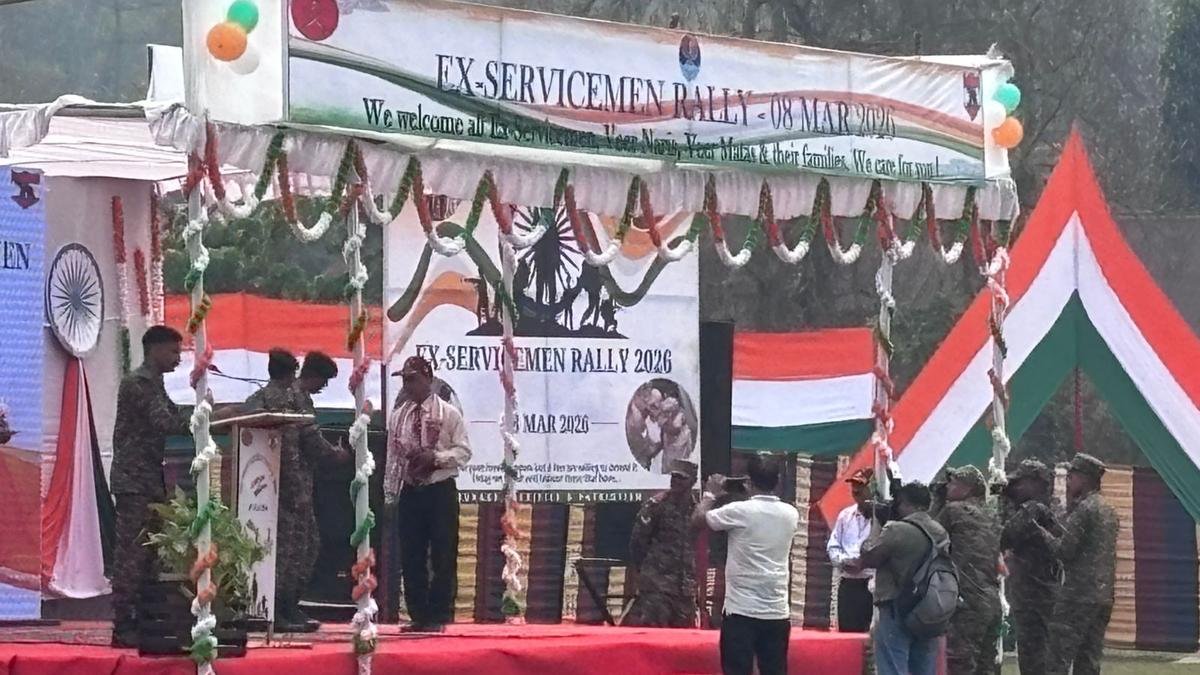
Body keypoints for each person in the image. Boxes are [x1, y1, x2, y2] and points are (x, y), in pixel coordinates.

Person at [247, 350, 348, 632]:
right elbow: (309, 441)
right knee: (294, 550)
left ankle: (286, 607)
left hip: (266, 486)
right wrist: (336, 455)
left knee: (295, 548)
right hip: (291, 487)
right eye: (323, 381)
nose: (322, 387)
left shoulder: (262, 397)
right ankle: (281, 608)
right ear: (310, 375)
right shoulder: (295, 399)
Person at [109, 326, 196, 648]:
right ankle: (123, 624)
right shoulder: (139, 384)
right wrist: (206, 419)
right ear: (155, 349)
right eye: (173, 351)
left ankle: (145, 620)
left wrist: (210, 414)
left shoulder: (155, 383)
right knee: (132, 554)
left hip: (148, 480)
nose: (178, 358)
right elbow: (167, 423)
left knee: (150, 556)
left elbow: (175, 414)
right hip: (134, 481)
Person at [384, 356, 471, 633]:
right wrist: (391, 492)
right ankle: (418, 615)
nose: (408, 385)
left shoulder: (449, 414)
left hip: (439, 490)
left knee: (443, 553)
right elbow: (392, 456)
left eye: (413, 379)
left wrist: (435, 458)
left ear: (428, 380)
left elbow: (464, 453)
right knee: (412, 554)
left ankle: (439, 615)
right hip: (411, 490)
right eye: (404, 380)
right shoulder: (399, 415)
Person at [695, 455, 799, 675]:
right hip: (776, 612)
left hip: (740, 612)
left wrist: (711, 493)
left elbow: (698, 520)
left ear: (749, 482)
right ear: (778, 481)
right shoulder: (791, 514)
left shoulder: (739, 511)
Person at [1038, 453, 1118, 675]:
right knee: (1089, 659)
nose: (1068, 483)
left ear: (1084, 478)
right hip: (1103, 596)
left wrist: (1042, 532)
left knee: (1058, 657)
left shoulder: (1085, 509)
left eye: (1071, 477)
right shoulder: (1109, 510)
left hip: (1078, 595)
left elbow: (1064, 551)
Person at [859, 481, 948, 675]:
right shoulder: (940, 531)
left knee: (892, 665)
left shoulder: (896, 529)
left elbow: (869, 558)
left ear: (905, 503)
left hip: (896, 605)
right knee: (924, 667)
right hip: (929, 607)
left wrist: (875, 527)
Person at [933, 466, 1002, 675]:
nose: (948, 487)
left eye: (953, 483)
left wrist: (937, 500)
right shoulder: (991, 514)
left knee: (959, 664)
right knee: (986, 665)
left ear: (967, 489)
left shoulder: (954, 511)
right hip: (991, 600)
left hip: (967, 601)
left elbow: (928, 533)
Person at [999, 459, 1061, 675]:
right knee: (1035, 654)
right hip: (1037, 594)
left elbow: (1005, 536)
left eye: (1021, 483)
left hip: (1035, 595)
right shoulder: (1046, 508)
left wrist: (1003, 499)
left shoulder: (1034, 509)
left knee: (1034, 656)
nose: (1016, 488)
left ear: (1036, 483)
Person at [623, 459, 699, 628]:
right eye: (674, 476)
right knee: (655, 633)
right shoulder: (656, 506)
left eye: (682, 478)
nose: (676, 481)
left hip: (685, 589)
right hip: (657, 586)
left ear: (693, 481)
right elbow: (638, 543)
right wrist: (648, 571)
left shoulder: (696, 509)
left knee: (684, 638)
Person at [826, 467, 875, 633]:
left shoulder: (882, 518)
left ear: (872, 489)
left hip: (872, 583)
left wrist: (864, 562)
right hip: (848, 582)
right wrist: (843, 561)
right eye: (854, 486)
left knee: (870, 635)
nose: (856, 490)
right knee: (847, 633)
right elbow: (833, 546)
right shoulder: (845, 515)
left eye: (861, 486)